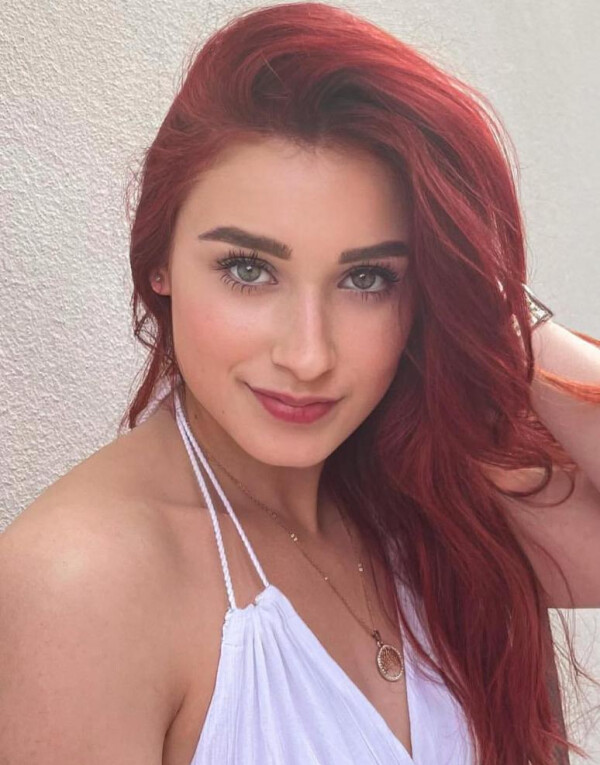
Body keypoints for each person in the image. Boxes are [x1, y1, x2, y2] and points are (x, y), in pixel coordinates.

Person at [1, 2, 599, 763]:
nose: (309, 355)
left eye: (367, 278)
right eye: (249, 269)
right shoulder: (81, 584)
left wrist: (492, 304)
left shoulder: (436, 496)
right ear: (160, 265)